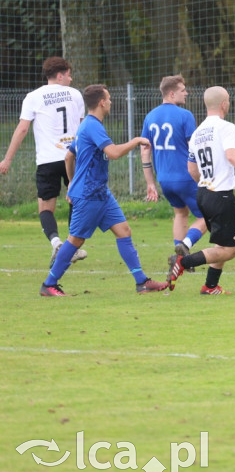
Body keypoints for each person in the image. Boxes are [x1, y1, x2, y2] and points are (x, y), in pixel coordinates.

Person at [40, 84, 167, 296]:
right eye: (108, 99)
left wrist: (71, 182)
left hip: (100, 193)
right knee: (76, 240)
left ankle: (141, 282)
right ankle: (49, 284)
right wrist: (136, 140)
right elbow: (113, 153)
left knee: (124, 230)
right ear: (101, 102)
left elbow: (69, 156)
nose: (110, 102)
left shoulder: (87, 125)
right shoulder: (91, 126)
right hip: (89, 194)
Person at [166, 86, 235, 295]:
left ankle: (210, 286)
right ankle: (183, 262)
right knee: (229, 250)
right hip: (220, 195)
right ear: (224, 104)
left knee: (220, 244)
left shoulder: (197, 133)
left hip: (203, 193)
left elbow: (191, 168)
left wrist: (207, 181)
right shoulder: (226, 127)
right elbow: (231, 156)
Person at [0, 56, 88, 264]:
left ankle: (56, 243)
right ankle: (70, 247)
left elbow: (22, 129)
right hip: (73, 157)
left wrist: (7, 160)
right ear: (60, 75)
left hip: (47, 160)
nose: (71, 78)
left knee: (46, 207)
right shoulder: (75, 95)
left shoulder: (33, 96)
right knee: (76, 201)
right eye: (68, 74)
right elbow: (84, 129)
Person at [140, 75, 207, 257]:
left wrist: (150, 183)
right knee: (207, 217)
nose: (186, 93)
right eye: (182, 90)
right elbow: (193, 148)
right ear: (171, 93)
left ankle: (179, 258)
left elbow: (145, 151)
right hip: (185, 177)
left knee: (180, 213)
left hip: (164, 179)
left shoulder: (150, 116)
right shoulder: (185, 115)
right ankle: (186, 245)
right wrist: (203, 174)